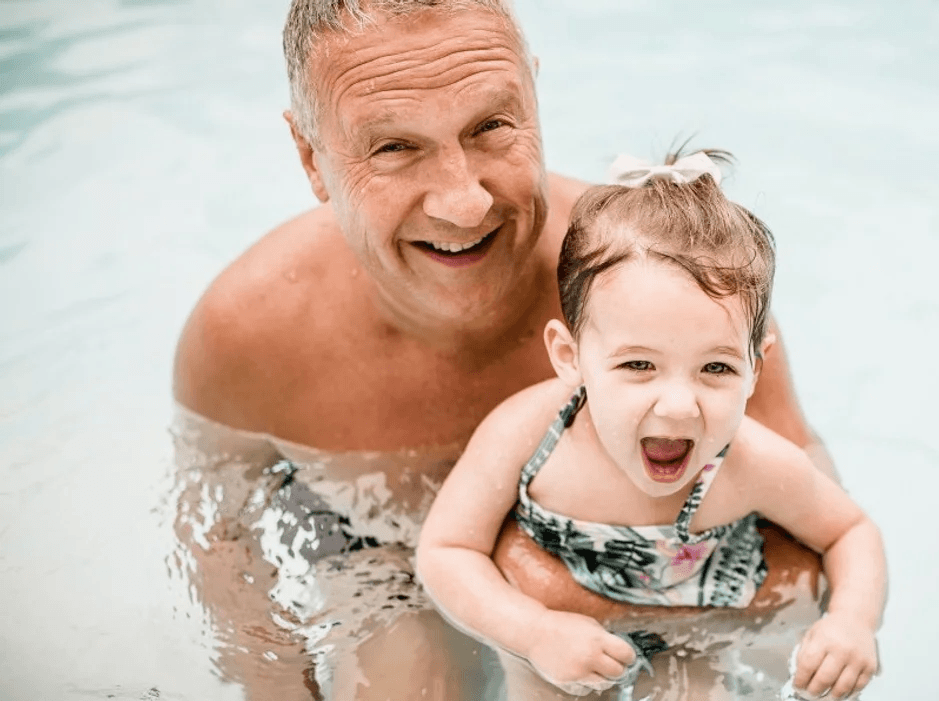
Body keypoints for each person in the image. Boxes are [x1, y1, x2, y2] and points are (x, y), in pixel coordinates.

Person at [172, 1, 841, 699]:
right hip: (374, 553)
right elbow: (224, 560)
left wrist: (563, 592)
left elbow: (810, 551)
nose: (463, 203)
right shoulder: (248, 338)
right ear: (311, 156)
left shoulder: (669, 292)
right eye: (393, 147)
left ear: (534, 98)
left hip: (651, 569)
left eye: (490, 126)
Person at [416, 150, 886, 700]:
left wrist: (852, 623)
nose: (679, 406)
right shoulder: (529, 435)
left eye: (717, 367)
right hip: (552, 641)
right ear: (570, 357)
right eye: (638, 365)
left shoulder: (752, 464)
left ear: (755, 369)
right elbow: (447, 550)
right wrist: (533, 631)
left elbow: (849, 533)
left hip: (695, 634)